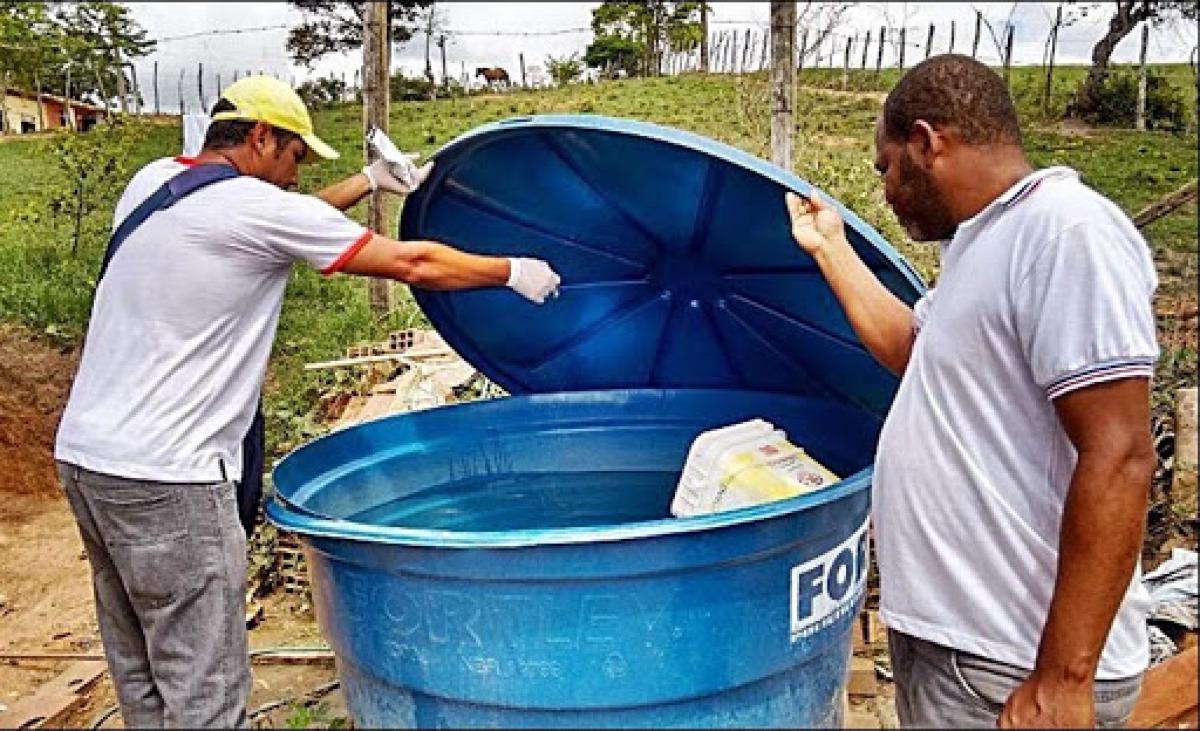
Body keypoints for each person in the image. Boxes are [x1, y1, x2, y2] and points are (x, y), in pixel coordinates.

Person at [53, 76, 561, 727]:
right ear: (261, 136)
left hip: (90, 461)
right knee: (202, 683)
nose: (295, 176)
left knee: (141, 667)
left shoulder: (153, 183)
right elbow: (414, 263)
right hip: (171, 478)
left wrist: (371, 181)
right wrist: (511, 271)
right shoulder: (257, 213)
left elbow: (280, 220)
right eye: (294, 156)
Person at [784, 55, 1157, 728]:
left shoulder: (1064, 231)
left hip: (1014, 662)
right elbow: (914, 351)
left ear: (928, 142)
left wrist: (1063, 677)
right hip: (963, 650)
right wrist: (830, 249)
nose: (887, 191)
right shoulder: (984, 243)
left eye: (886, 167)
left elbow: (1121, 450)